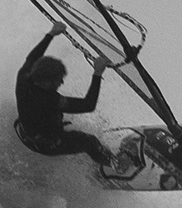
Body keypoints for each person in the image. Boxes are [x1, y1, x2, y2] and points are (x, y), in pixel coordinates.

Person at [12, 27, 117, 173]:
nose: (61, 83)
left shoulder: (24, 77)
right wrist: (97, 73)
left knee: (65, 130)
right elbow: (88, 105)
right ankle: (118, 166)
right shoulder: (49, 100)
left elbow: (32, 58)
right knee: (88, 141)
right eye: (58, 80)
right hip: (45, 144)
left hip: (26, 133)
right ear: (47, 82)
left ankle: (94, 158)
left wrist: (51, 34)